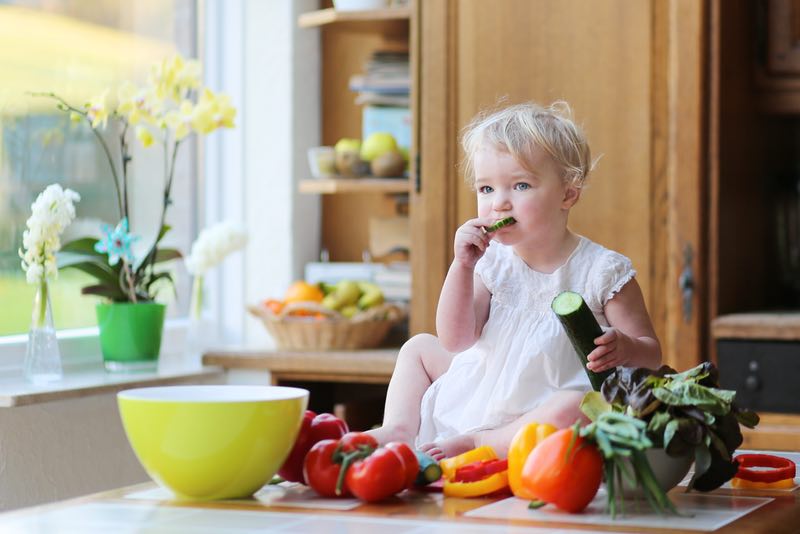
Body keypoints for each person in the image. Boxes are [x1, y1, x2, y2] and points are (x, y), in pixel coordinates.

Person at [367, 101, 661, 460]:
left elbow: (652, 356)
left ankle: (480, 443)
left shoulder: (602, 271)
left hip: (542, 407)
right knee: (418, 348)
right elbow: (456, 340)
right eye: (486, 189)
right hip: (486, 382)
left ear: (568, 193)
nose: (499, 204)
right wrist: (461, 267)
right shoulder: (491, 262)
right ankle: (399, 428)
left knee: (576, 407)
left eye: (520, 186)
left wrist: (627, 348)